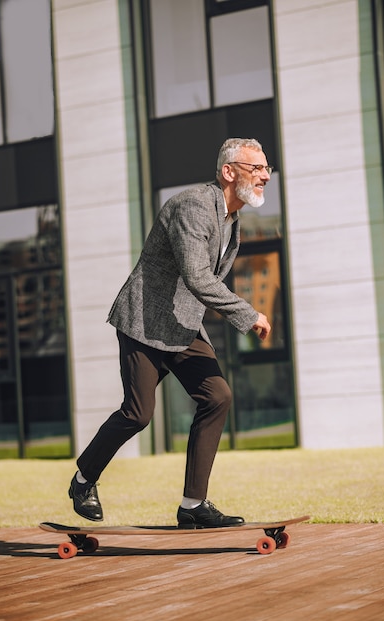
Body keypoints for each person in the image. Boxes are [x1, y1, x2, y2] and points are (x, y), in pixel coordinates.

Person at [68, 137, 272, 528]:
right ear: (229, 172)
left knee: (218, 396)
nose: (264, 176)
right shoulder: (194, 206)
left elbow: (198, 282)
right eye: (256, 168)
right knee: (138, 413)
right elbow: (197, 276)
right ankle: (83, 480)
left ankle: (193, 505)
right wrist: (247, 314)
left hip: (183, 324)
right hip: (145, 321)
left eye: (267, 168)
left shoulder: (233, 221)